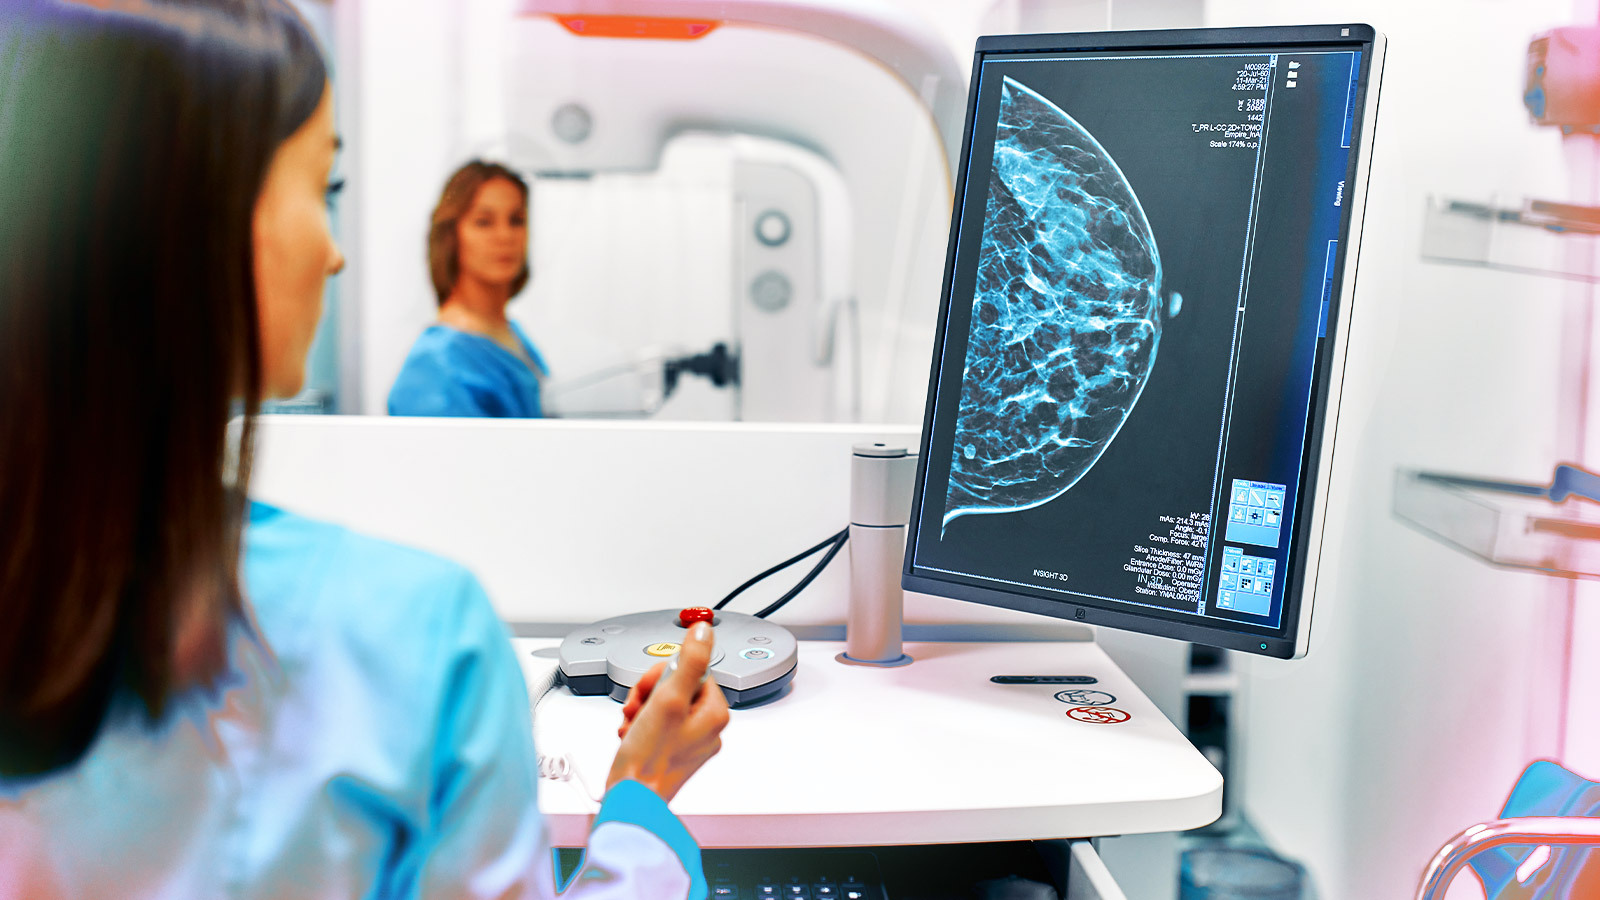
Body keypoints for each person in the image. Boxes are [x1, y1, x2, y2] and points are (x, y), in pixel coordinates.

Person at [0, 2, 728, 898]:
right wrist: (640, 804)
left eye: (518, 219)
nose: (337, 254)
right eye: (323, 188)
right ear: (203, 223)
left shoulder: (520, 349)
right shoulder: (417, 641)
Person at [388, 161, 553, 417]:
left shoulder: (510, 332)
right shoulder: (438, 362)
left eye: (516, 220)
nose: (505, 236)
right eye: (484, 222)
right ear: (451, 236)